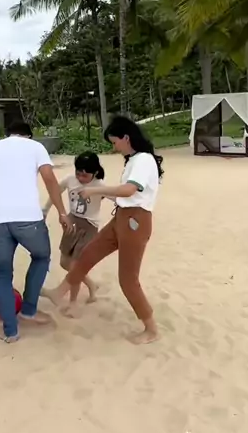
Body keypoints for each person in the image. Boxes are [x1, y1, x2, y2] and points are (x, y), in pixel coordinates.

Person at [44, 116, 163, 345]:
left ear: (126, 138)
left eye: (114, 142)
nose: (114, 147)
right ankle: (60, 292)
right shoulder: (134, 160)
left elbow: (129, 190)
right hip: (121, 218)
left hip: (135, 222)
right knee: (87, 254)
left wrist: (95, 190)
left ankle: (151, 328)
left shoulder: (143, 160)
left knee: (128, 280)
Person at [0, 120, 72, 343]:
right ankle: (28, 309)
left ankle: (10, 331)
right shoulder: (36, 147)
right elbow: (49, 179)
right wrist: (62, 212)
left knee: (2, 274)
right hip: (28, 218)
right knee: (41, 256)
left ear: (7, 134)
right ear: (28, 135)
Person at [42, 151, 106, 309]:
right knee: (65, 262)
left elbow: (118, 198)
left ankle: (72, 302)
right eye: (78, 173)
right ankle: (91, 285)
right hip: (72, 222)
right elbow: (55, 192)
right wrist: (45, 210)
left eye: (85, 175)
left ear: (95, 172)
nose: (81, 178)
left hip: (89, 227)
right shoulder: (70, 180)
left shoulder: (99, 185)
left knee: (75, 265)